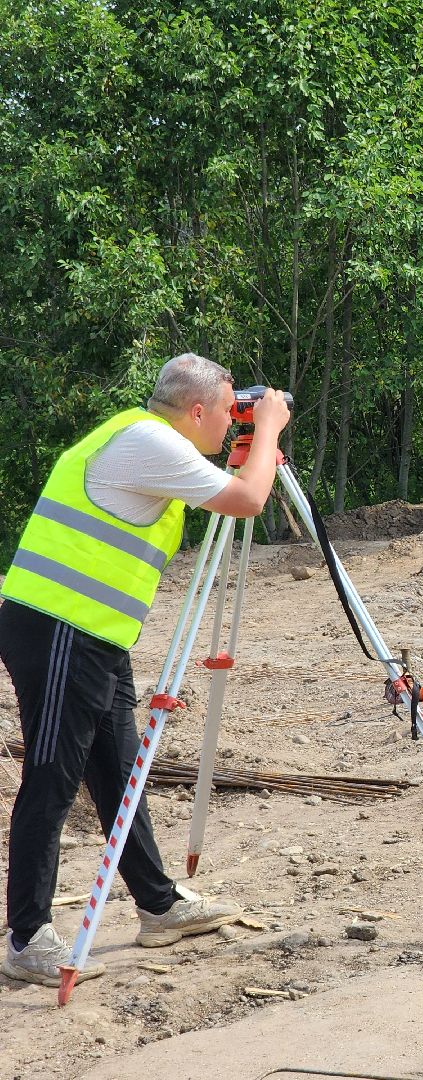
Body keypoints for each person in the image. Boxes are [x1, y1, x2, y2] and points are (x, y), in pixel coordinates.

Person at [0, 353, 290, 987]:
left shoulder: (148, 437)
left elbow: (225, 488)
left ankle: (157, 904)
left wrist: (252, 437)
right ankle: (28, 939)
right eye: (226, 411)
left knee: (119, 775)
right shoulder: (149, 443)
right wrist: (266, 429)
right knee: (51, 779)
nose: (229, 422)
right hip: (58, 630)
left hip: (95, 636)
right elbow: (246, 499)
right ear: (196, 411)